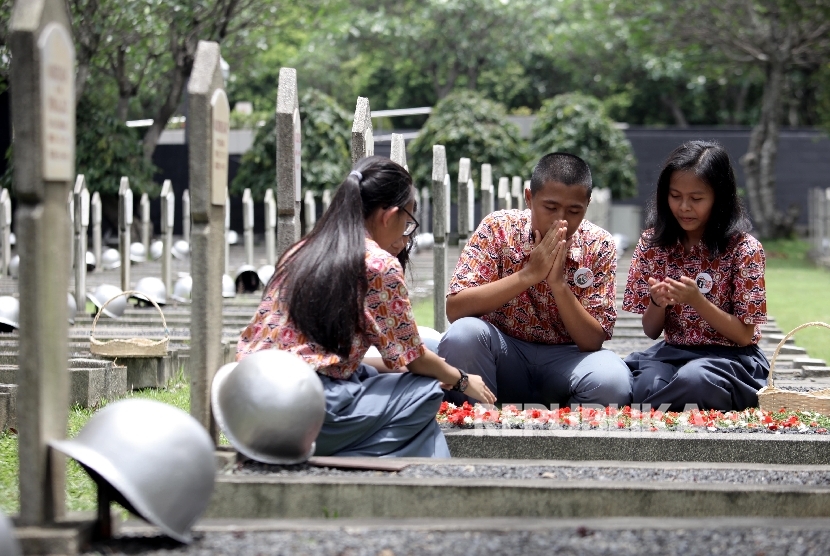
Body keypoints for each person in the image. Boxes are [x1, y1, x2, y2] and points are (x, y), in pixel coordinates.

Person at [237, 156, 494, 458]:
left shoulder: (301, 250)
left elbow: (318, 356)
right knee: (424, 394)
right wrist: (463, 380)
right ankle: (360, 458)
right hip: (302, 407)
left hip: (247, 402)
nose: (405, 235)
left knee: (381, 380)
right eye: (408, 222)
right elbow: (416, 360)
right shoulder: (377, 263)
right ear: (389, 215)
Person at [437, 152, 632, 408]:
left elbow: (592, 340)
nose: (561, 219)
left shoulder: (599, 245)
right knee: (462, 336)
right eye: (550, 207)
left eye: (574, 210)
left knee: (612, 381)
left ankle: (568, 441)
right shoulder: (499, 229)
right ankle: (479, 428)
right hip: (503, 354)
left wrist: (558, 284)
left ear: (587, 205)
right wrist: (528, 275)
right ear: (529, 198)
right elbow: (456, 309)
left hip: (567, 359)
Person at [622, 140, 769, 411]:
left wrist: (697, 301)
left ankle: (639, 414)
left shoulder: (745, 249)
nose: (684, 207)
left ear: (719, 197)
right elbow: (651, 331)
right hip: (672, 354)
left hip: (730, 359)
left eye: (697, 198)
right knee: (646, 384)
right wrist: (657, 303)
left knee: (695, 380)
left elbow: (744, 336)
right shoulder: (652, 244)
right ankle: (659, 405)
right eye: (675, 196)